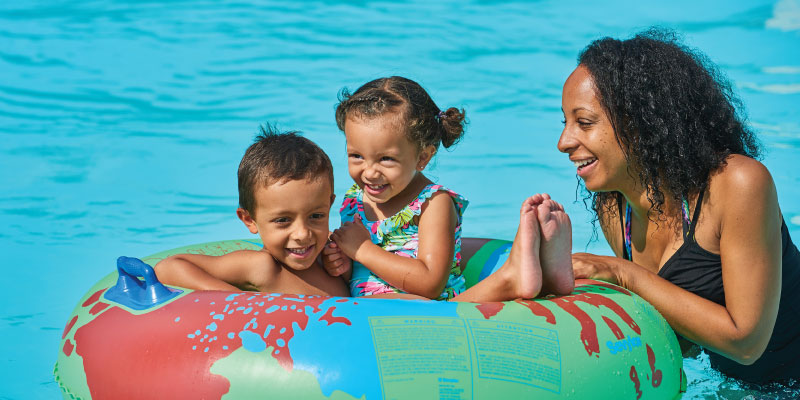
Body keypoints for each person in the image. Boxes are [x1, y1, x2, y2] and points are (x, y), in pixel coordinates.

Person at [558, 29, 800, 383]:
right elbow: (684, 338)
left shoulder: (737, 184)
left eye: (584, 122)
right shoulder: (615, 209)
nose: (564, 141)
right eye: (564, 122)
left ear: (640, 123)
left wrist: (622, 275)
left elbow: (747, 343)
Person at [323, 76, 575, 301]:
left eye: (386, 159)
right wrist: (343, 266)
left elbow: (430, 283)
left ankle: (511, 277)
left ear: (423, 158)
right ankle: (548, 275)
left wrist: (364, 250)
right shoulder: (355, 201)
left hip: (435, 310)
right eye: (356, 156)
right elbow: (367, 276)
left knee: (418, 306)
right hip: (376, 306)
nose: (369, 172)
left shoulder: (433, 203)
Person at [154, 127, 350, 297]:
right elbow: (168, 268)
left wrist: (345, 266)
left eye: (316, 216)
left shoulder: (334, 251)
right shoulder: (262, 267)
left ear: (329, 204)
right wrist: (238, 300)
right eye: (283, 220)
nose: (302, 234)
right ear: (249, 219)